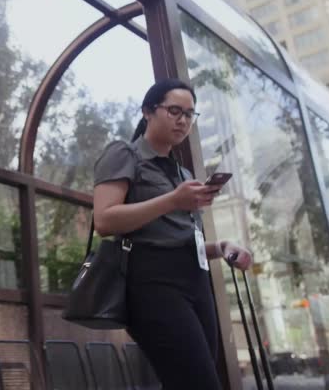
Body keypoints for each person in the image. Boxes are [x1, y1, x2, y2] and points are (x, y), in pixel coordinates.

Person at [93, 78, 253, 389]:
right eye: (174, 111)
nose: (183, 121)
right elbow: (104, 221)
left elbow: (179, 236)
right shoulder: (124, 153)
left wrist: (221, 247)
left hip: (195, 281)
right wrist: (172, 200)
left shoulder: (184, 174)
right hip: (152, 282)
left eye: (190, 114)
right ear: (148, 112)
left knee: (195, 379)